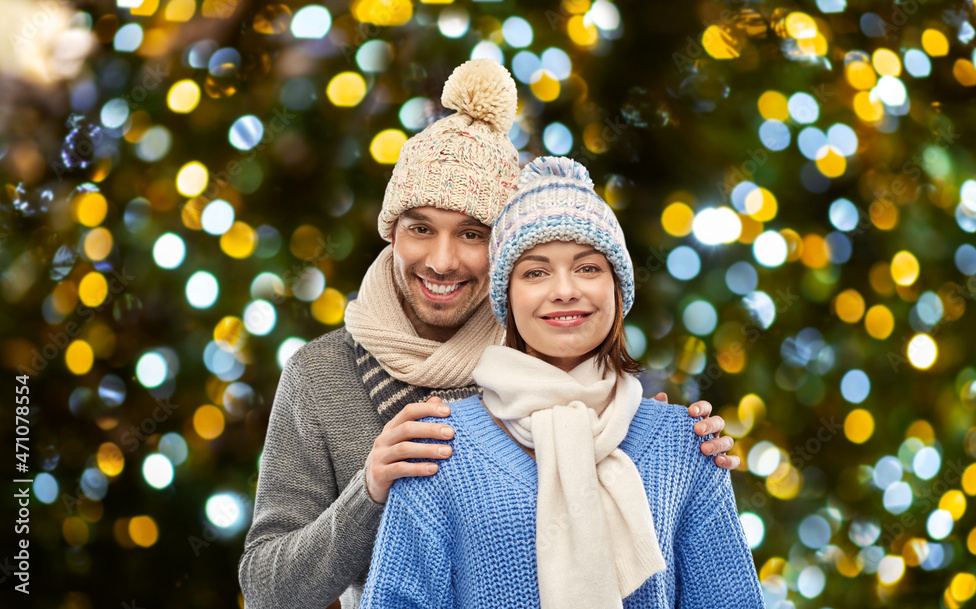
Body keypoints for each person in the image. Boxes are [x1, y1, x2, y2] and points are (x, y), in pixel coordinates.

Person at [239, 60, 739, 609]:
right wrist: (371, 489)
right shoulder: (321, 375)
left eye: (472, 234)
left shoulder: (548, 343)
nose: (442, 260)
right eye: (420, 228)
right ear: (392, 232)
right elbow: (266, 588)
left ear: (505, 252)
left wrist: (639, 431)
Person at [359, 157, 764, 609]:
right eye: (535, 272)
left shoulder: (687, 445)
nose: (565, 290)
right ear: (507, 298)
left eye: (588, 268)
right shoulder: (440, 448)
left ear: (617, 288)